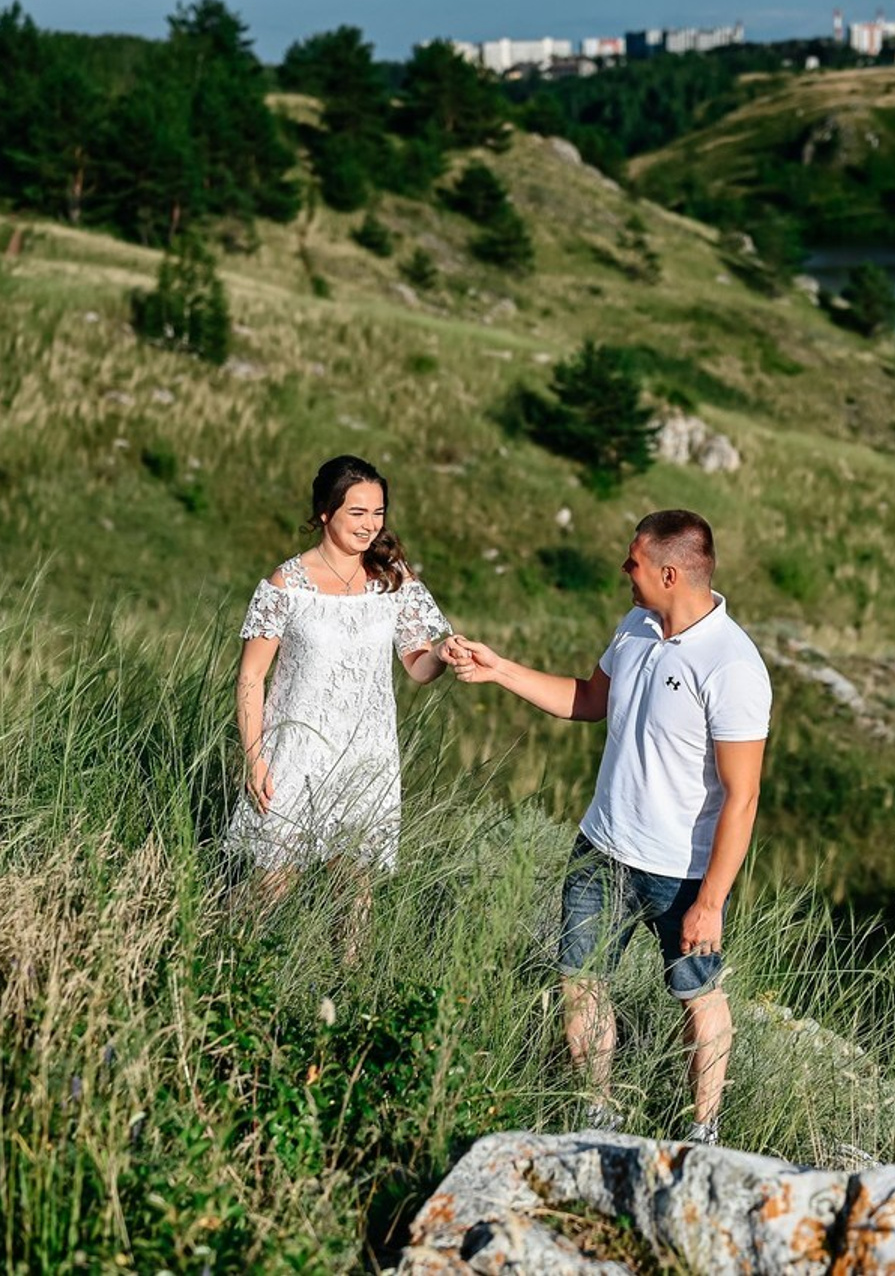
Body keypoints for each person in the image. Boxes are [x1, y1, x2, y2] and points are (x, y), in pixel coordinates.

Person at [451, 509, 770, 1145]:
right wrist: (499, 669)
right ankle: (596, 1115)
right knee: (581, 980)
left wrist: (710, 902)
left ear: (670, 571)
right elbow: (588, 701)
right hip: (602, 847)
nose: (625, 571)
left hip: (679, 874)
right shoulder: (635, 627)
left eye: (635, 562)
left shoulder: (733, 666)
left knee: (698, 997)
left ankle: (701, 1133)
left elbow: (744, 796)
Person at [229, 454, 464, 933]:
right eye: (357, 513)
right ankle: (216, 952)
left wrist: (444, 653)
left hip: (368, 753)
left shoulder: (394, 578)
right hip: (296, 750)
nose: (370, 526)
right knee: (276, 880)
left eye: (378, 513)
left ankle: (350, 991)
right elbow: (252, 678)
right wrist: (254, 757)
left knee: (355, 887)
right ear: (324, 512)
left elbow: (418, 667)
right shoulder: (285, 585)